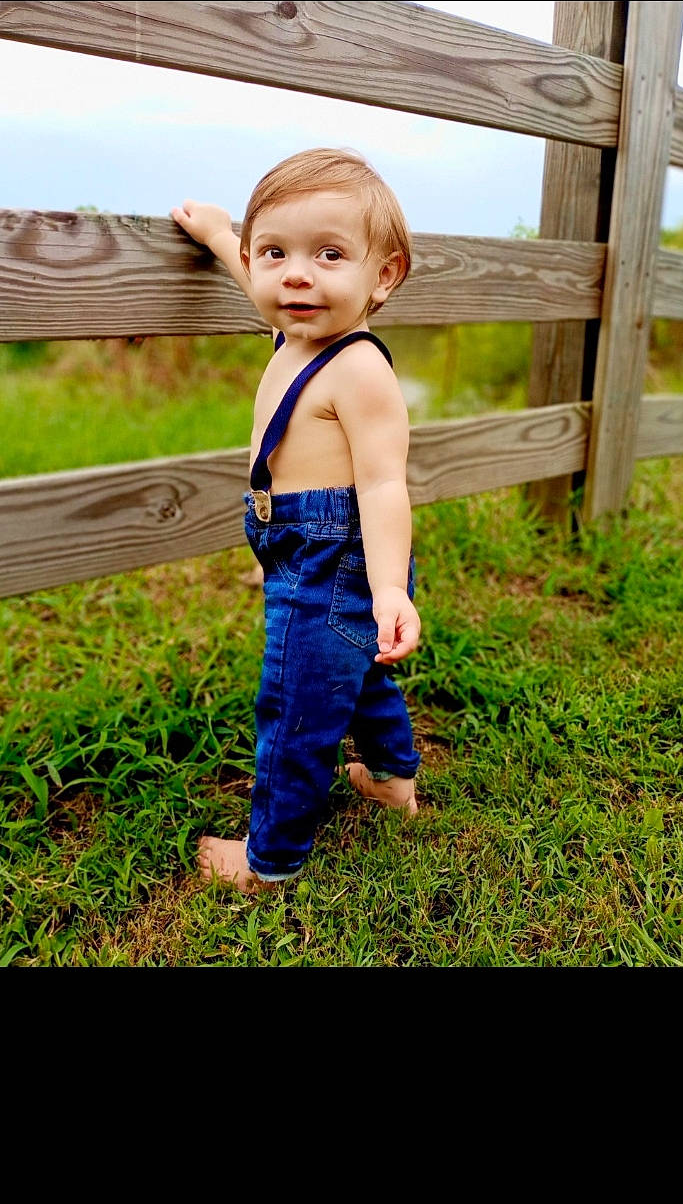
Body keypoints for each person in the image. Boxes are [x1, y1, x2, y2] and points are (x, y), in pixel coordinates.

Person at [170, 147, 421, 892]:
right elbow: (258, 278)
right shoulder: (293, 331)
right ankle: (392, 781)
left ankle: (268, 859)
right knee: (362, 669)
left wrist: (388, 590)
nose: (296, 274)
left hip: (338, 559)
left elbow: (381, 487)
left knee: (298, 702)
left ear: (384, 276)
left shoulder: (358, 368)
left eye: (329, 254)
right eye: (276, 252)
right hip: (301, 546)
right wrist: (219, 233)